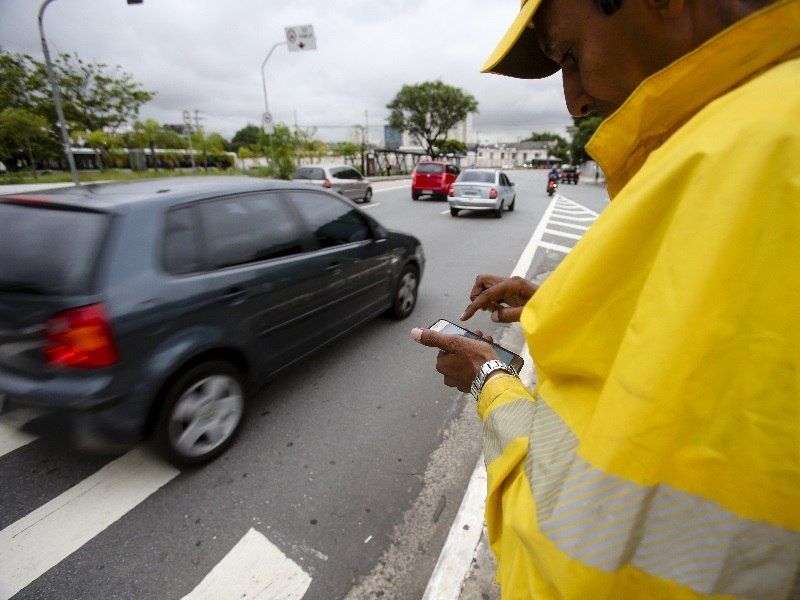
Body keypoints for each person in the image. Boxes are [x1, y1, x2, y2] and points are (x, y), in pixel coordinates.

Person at [411, 0, 800, 597]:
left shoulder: (751, 157)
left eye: (570, 55)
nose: (577, 101)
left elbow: (588, 561)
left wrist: (487, 375)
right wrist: (550, 298)